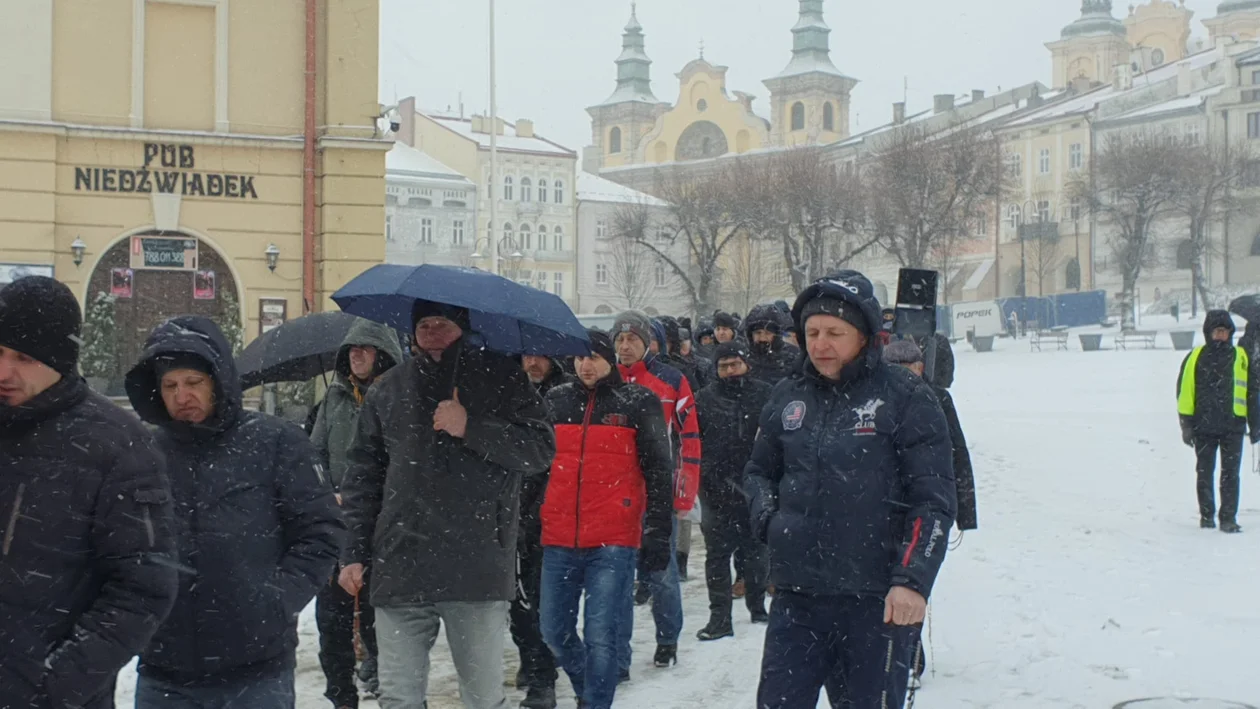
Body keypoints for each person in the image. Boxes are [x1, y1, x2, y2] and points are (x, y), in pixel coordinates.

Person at [746, 271, 957, 709]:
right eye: (812, 332)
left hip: (875, 601)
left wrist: (913, 581)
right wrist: (770, 520)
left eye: (834, 333)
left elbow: (933, 498)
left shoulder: (905, 396)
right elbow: (758, 472)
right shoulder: (788, 396)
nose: (821, 344)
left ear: (864, 335)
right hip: (797, 600)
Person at [339, 302, 555, 709]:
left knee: (482, 698)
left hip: (475, 564)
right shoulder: (389, 388)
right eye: (423, 324)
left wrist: (470, 426)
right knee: (398, 699)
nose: (432, 332)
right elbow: (363, 477)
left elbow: (540, 450)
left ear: (463, 327)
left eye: (442, 323)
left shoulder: (504, 379)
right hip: (400, 562)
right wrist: (353, 552)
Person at [125, 316, 343, 708]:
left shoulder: (276, 442)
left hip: (256, 672)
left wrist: (275, 599)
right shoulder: (142, 454)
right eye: (170, 385)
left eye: (193, 382)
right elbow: (119, 542)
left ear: (218, 380)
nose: (181, 395)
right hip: (164, 673)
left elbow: (320, 533)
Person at [0, 276, 178, 709]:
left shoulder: (118, 446)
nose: (4, 371)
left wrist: (51, 684)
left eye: (23, 357)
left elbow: (143, 588)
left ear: (60, 359)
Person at [539, 331, 675, 709]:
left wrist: (657, 531)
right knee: (553, 630)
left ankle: (595, 702)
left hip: (614, 538)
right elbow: (537, 468)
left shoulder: (638, 402)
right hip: (559, 534)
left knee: (602, 634)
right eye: (579, 358)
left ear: (610, 359)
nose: (585, 365)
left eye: (594, 357)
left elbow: (659, 470)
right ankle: (590, 689)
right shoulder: (555, 400)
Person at [311, 318, 404, 707]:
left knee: (379, 622)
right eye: (352, 350)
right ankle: (341, 696)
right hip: (337, 525)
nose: (357, 355)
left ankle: (392, 689)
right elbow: (313, 453)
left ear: (383, 355)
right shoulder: (333, 399)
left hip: (384, 527)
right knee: (331, 621)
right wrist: (326, 491)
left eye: (365, 349)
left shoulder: (400, 399)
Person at [612, 310, 700, 671]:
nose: (625, 346)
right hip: (615, 494)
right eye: (619, 339)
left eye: (632, 338)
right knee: (616, 576)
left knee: (660, 573)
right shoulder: (607, 379)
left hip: (657, 494)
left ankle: (667, 639)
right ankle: (617, 653)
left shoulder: (671, 379)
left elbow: (689, 438)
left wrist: (684, 491)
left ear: (648, 342)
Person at [694, 342, 773, 641]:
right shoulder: (703, 399)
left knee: (756, 552)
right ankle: (720, 618)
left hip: (754, 486)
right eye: (723, 366)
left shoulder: (765, 394)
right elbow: (693, 440)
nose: (730, 371)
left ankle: (757, 605)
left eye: (735, 364)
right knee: (717, 556)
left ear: (746, 364)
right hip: (715, 489)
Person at [514, 355, 577, 709]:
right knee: (516, 601)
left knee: (539, 600)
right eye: (526, 356)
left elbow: (556, 460)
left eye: (540, 356)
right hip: (507, 510)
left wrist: (537, 507)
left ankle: (543, 673)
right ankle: (533, 658)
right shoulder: (505, 391)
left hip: (547, 514)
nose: (532, 362)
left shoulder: (563, 397)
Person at [1177, 310, 1260, 533]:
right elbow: (1185, 392)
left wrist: (1255, 424)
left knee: (1230, 475)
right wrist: (1186, 425)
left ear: (1230, 333)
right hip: (1203, 428)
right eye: (1217, 331)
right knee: (1204, 472)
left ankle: (1228, 518)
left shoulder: (1240, 356)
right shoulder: (1195, 356)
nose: (1221, 335)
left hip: (1233, 426)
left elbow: (1252, 391)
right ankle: (1207, 515)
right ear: (1209, 333)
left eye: (1224, 331)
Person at [883, 340, 978, 534]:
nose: (904, 376)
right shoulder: (876, 401)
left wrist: (966, 513)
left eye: (910, 369)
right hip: (885, 505)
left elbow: (958, 452)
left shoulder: (938, 398)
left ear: (920, 367)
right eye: (896, 369)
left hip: (930, 496)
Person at [743, 303, 800, 387]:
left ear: (776, 335)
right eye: (758, 333)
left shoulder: (793, 357)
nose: (762, 338)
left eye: (768, 333)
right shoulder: (743, 357)